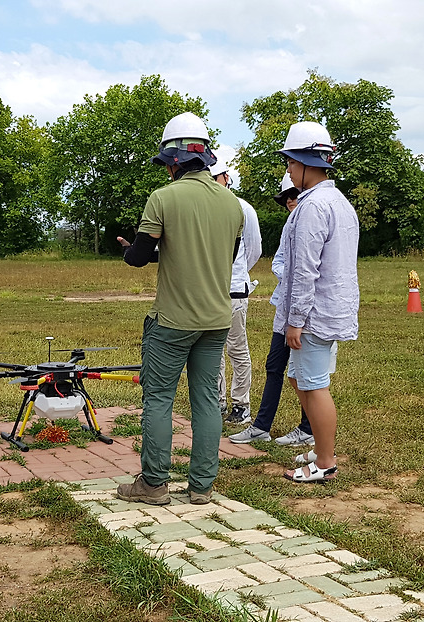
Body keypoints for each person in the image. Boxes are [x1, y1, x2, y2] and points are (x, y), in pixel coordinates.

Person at [115, 112, 243, 506]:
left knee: (158, 399)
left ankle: (153, 484)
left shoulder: (163, 198)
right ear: (205, 158)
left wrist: (129, 250)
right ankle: (201, 487)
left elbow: (139, 257)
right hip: (216, 320)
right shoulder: (233, 204)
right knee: (206, 400)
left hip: (172, 320)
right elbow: (221, 258)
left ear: (173, 161)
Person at [275, 122, 359, 484]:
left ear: (306, 163)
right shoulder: (338, 202)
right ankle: (322, 447)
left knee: (313, 384)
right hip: (329, 307)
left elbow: (305, 269)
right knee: (299, 379)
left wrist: (296, 319)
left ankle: (325, 462)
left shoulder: (312, 207)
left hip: (314, 312)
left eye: (291, 163)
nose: (289, 170)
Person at [229, 172, 314, 447]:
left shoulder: (312, 222)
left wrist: (293, 278)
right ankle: (261, 426)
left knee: (303, 373)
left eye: (294, 195)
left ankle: (308, 428)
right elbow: (278, 262)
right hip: (285, 308)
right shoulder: (290, 224)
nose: (290, 201)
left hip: (307, 312)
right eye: (286, 197)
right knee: (274, 366)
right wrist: (288, 275)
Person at [209, 159, 261, 425]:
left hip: (234, 290)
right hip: (210, 290)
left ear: (226, 177)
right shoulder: (204, 207)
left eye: (215, 177)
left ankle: (241, 405)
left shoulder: (243, 208)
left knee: (237, 349)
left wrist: (237, 272)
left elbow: (254, 248)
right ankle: (216, 402)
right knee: (212, 350)